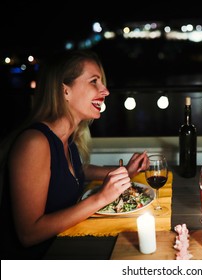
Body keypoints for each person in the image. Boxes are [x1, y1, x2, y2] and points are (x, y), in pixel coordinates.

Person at [0, 50, 149, 259]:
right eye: (94, 82)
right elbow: (28, 234)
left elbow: (75, 171)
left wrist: (123, 171)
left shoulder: (67, 138)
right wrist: (100, 198)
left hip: (68, 243)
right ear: (65, 91)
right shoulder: (34, 143)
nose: (105, 90)